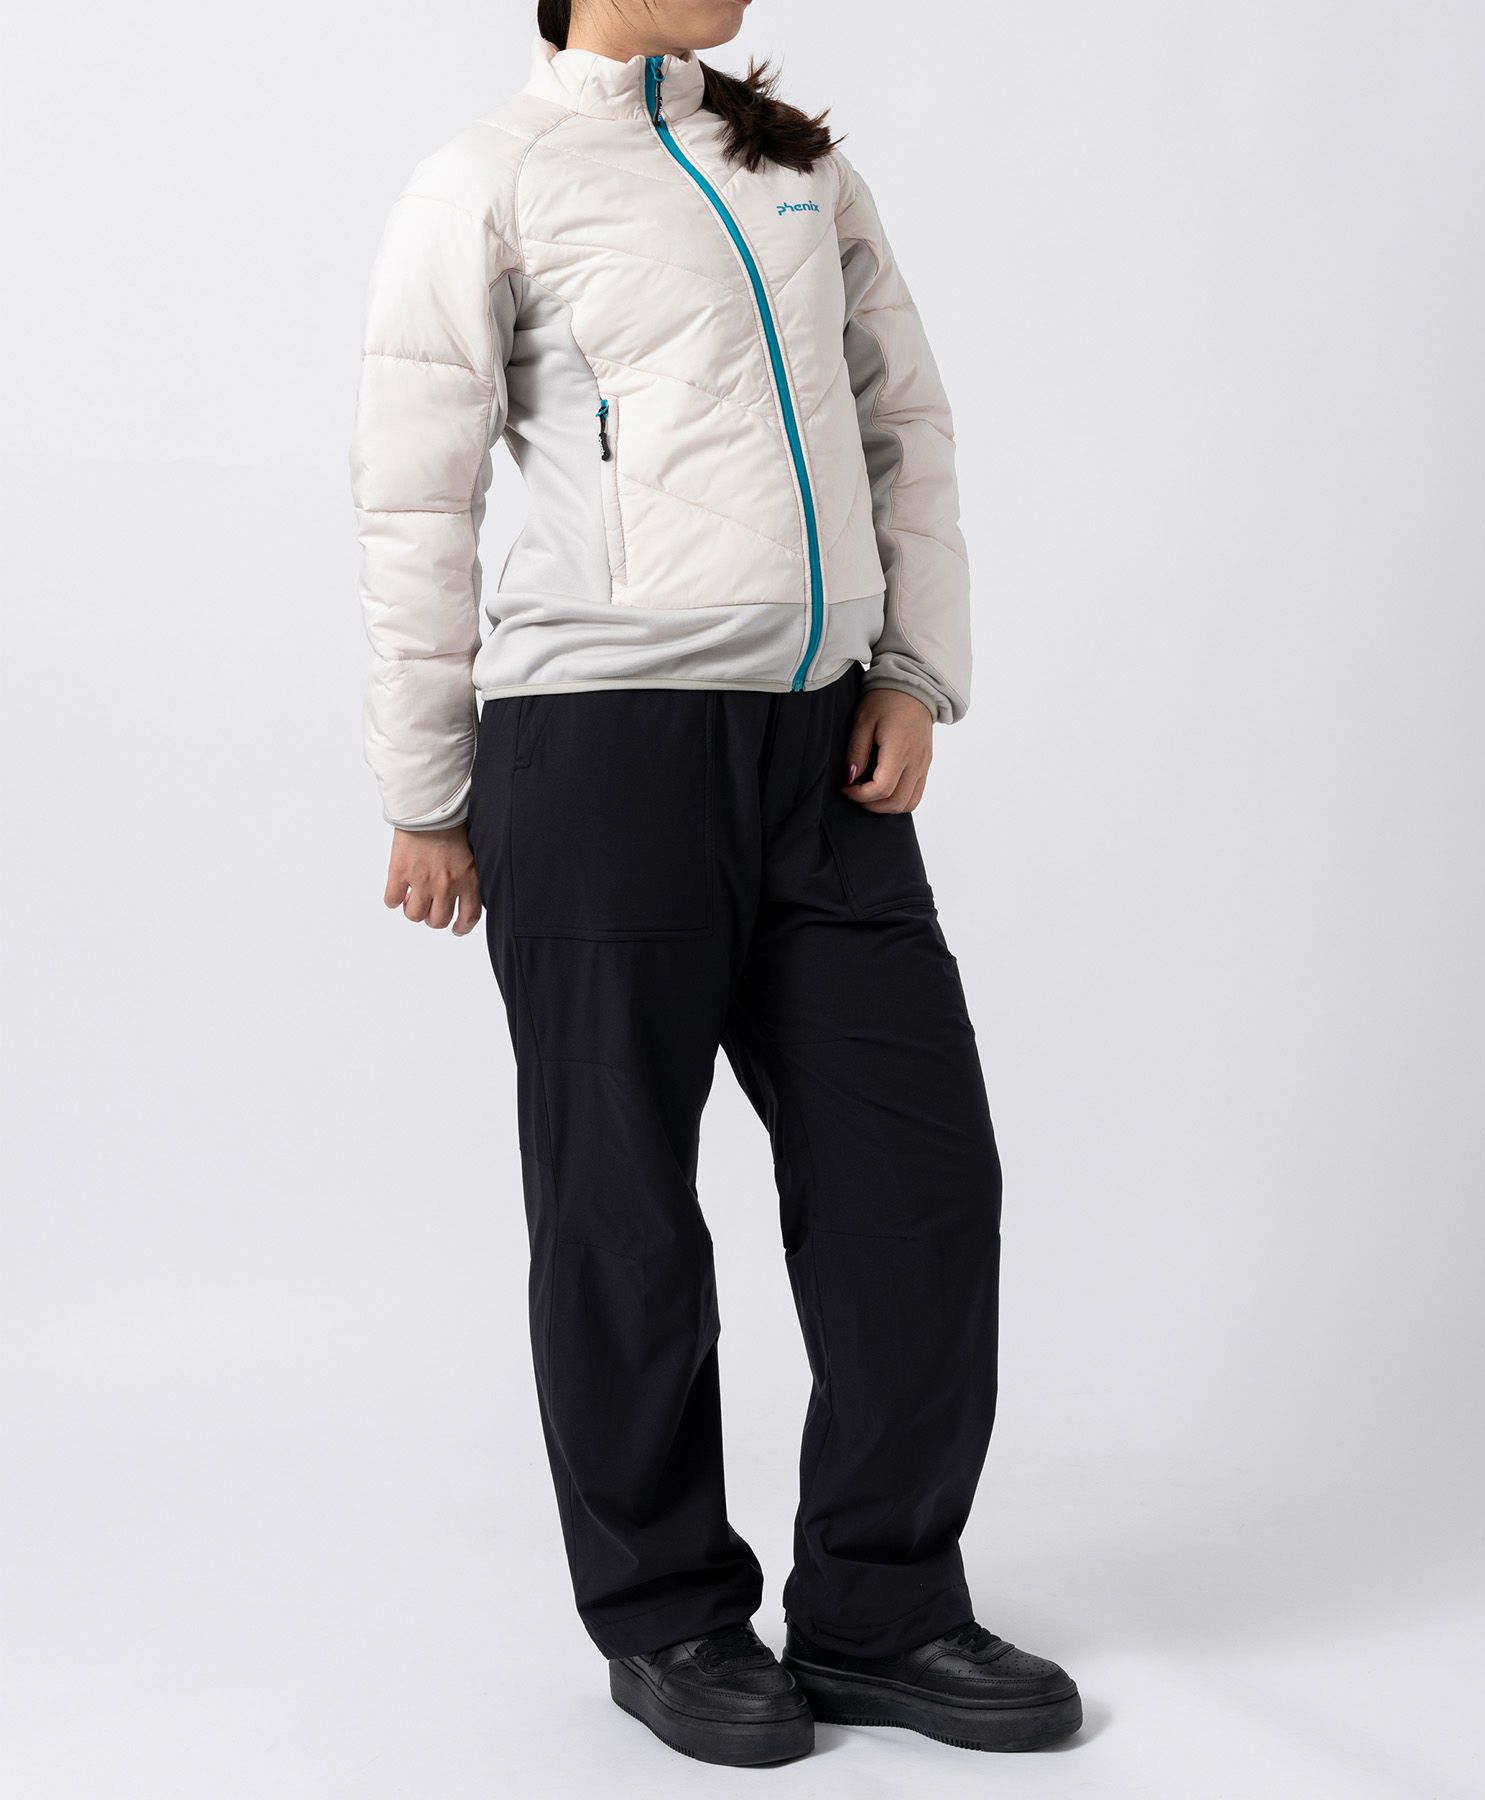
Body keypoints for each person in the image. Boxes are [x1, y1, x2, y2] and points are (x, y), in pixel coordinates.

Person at [350, 0, 1082, 1766]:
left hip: (825, 753)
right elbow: (415, 502)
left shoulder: (794, 165)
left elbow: (904, 418)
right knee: (621, 1209)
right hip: (600, 747)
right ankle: (668, 1614)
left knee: (920, 1184)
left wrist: (914, 670)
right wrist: (424, 793)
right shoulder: (488, 180)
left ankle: (883, 1609)